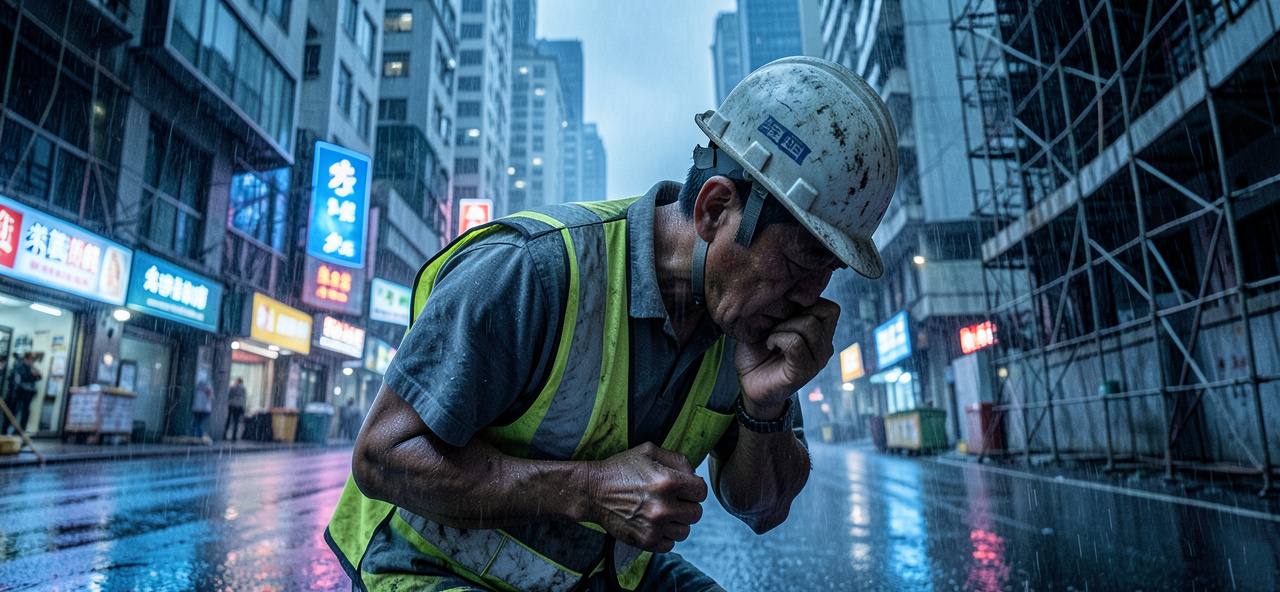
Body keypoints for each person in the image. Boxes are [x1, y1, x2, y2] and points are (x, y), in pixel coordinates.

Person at [327, 56, 898, 591]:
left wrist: (765, 407)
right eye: (797, 263)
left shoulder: (748, 318)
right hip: (429, 570)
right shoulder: (532, 270)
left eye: (826, 273)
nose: (808, 299)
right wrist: (587, 490)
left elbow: (762, 510)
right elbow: (382, 456)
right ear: (715, 209)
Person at [3, 352, 40, 435]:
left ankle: (17, 430)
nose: (32, 361)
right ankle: (12, 430)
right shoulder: (22, 367)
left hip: (23, 393)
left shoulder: (29, 368)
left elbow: (37, 377)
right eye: (30, 359)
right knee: (16, 411)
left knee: (21, 411)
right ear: (26, 359)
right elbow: (16, 380)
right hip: (19, 392)